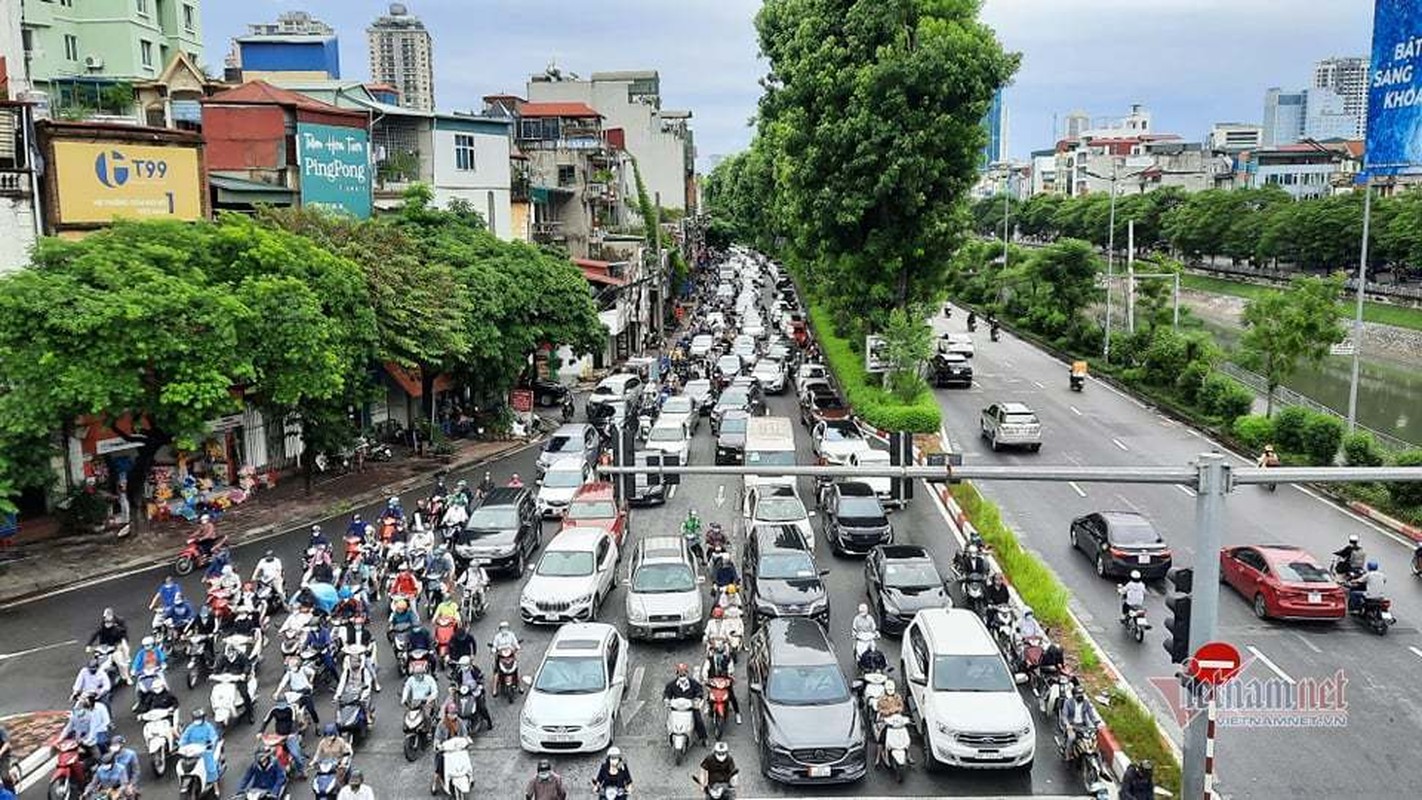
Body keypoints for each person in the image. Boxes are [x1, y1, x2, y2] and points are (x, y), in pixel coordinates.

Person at [663, 663, 708, 745]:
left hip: (690, 707)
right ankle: (669, 736)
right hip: (677, 708)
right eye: (680, 673)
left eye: (684, 673)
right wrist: (666, 699)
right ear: (677, 674)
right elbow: (667, 693)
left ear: (687, 673)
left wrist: (698, 698)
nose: (682, 675)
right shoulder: (671, 685)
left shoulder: (693, 683)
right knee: (668, 720)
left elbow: (699, 691)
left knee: (698, 720)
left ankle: (703, 738)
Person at [259, 696, 307, 774]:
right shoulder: (274, 710)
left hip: (289, 735)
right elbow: (266, 721)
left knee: (295, 755)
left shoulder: (290, 709)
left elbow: (293, 721)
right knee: (266, 752)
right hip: (278, 735)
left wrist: (291, 733)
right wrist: (260, 732)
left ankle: (301, 771)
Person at [212, 639, 256, 724]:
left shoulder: (241, 656)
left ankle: (250, 713)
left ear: (234, 651)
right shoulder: (223, 657)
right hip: (228, 677)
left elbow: (247, 665)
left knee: (244, 694)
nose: (228, 656)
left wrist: (244, 674)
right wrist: (213, 674)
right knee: (218, 691)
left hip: (239, 677)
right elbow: (218, 668)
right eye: (226, 654)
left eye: (229, 653)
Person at [430, 705, 469, 794]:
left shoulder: (460, 722)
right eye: (451, 713)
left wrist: (466, 740)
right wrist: (438, 745)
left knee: (465, 758)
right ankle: (435, 782)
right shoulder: (441, 724)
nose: (453, 715)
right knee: (439, 762)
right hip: (445, 749)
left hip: (457, 748)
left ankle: (469, 776)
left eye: (454, 713)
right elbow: (437, 737)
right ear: (446, 714)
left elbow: (465, 734)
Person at [702, 638, 742, 724]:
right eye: (716, 652)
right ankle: (708, 706)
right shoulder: (710, 659)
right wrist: (705, 679)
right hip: (713, 681)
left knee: (732, 696)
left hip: (725, 681)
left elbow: (731, 670)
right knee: (709, 694)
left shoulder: (727, 659)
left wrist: (730, 676)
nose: (718, 654)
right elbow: (705, 669)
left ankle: (737, 713)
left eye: (720, 652)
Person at [178, 709, 221, 786]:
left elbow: (213, 736)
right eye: (196, 719)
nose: (198, 720)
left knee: (210, 767)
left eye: (199, 718)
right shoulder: (190, 728)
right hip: (193, 752)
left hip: (205, 750)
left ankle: (215, 786)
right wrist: (181, 744)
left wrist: (211, 742)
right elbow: (184, 737)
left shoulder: (208, 726)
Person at [88, 607, 132, 684]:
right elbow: (94, 635)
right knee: (96, 661)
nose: (107, 624)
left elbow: (122, 637)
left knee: (120, 662)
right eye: (106, 622)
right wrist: (89, 645)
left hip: (114, 648)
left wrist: (119, 646)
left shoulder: (117, 629)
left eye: (109, 622)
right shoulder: (101, 628)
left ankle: (126, 677)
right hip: (104, 647)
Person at [1059, 685, 1102, 754]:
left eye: (1082, 694)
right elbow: (1064, 716)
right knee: (1071, 738)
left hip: (1083, 725)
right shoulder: (1068, 703)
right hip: (1072, 726)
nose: (1080, 695)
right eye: (1078, 694)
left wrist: (1097, 723)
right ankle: (1067, 754)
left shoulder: (1086, 703)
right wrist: (1067, 724)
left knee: (1092, 739)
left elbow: (1091, 715)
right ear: (1074, 695)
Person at [873, 681, 905, 755]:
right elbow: (879, 709)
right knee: (882, 737)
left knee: (904, 734)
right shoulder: (882, 699)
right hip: (886, 720)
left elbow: (901, 707)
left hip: (896, 720)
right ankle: (878, 756)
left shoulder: (898, 697)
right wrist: (887, 711)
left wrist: (897, 709)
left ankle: (908, 754)